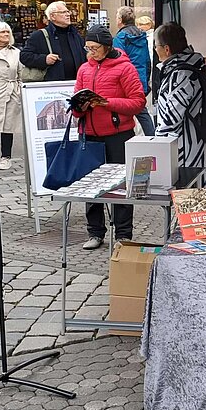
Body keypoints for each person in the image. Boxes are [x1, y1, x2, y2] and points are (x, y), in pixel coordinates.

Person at [73, 25, 146, 250]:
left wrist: (107, 102)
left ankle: (124, 234)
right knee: (90, 185)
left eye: (95, 48)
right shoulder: (84, 69)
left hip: (118, 135)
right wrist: (79, 106)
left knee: (122, 185)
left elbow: (138, 102)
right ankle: (95, 232)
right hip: (90, 135)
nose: (91, 52)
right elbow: (75, 106)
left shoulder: (125, 69)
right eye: (88, 48)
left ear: (106, 47)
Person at [152, 22, 206, 186]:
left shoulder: (181, 74)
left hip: (183, 149)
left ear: (167, 49)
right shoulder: (190, 66)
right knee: (193, 193)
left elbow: (172, 118)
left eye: (156, 46)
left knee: (188, 194)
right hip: (191, 143)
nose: (155, 51)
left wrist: (157, 143)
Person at [0, 22, 23, 170]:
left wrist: (18, 89)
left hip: (11, 91)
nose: (6, 35)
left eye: (8, 32)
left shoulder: (16, 52)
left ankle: (6, 157)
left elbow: (21, 73)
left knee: (8, 126)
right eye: (2, 32)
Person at [20, 1, 86, 82]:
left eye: (68, 11)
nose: (68, 14)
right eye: (63, 12)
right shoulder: (39, 35)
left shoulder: (75, 35)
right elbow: (24, 56)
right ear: (52, 16)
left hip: (75, 84)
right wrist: (44, 59)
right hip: (51, 88)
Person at [114, 7, 155, 135]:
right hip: (140, 78)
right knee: (142, 111)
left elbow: (117, 61)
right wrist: (146, 80)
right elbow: (147, 61)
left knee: (122, 110)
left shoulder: (120, 38)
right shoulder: (141, 36)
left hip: (126, 81)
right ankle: (152, 138)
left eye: (117, 16)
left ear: (120, 20)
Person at [137, 15, 159, 100]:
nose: (139, 27)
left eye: (141, 24)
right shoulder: (144, 36)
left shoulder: (150, 37)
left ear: (148, 25)